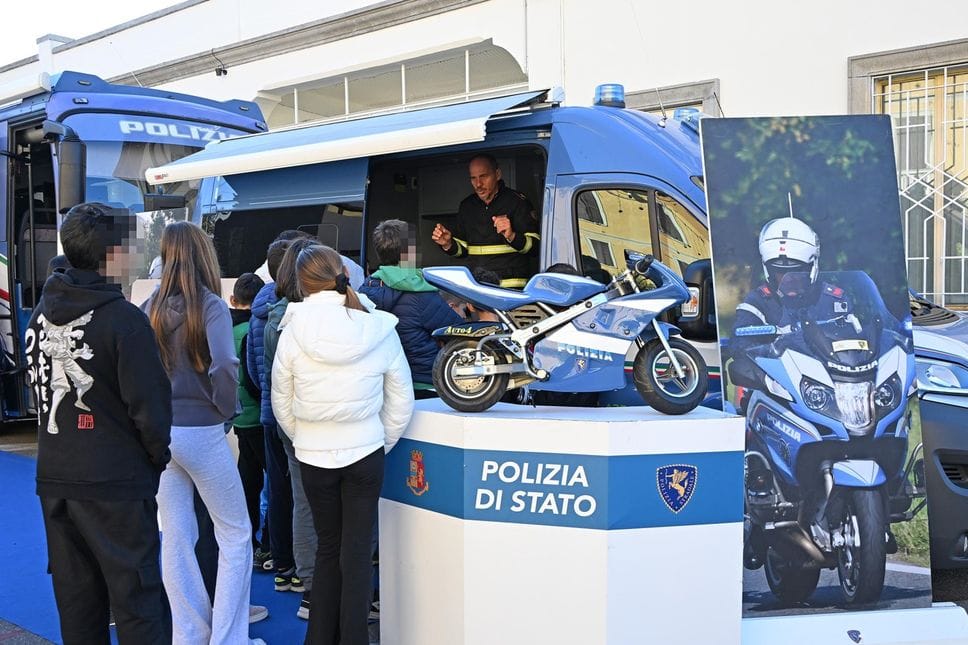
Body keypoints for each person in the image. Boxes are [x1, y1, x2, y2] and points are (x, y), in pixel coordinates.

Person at [28, 202, 173, 643]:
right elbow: (151, 408)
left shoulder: (40, 314)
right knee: (138, 603)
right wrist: (153, 461)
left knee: (78, 604)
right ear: (112, 255)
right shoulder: (125, 321)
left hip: (55, 476)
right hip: (116, 482)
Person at [272, 245, 414, 645]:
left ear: (301, 284)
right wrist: (378, 442)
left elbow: (282, 399)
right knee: (356, 553)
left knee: (327, 548)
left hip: (315, 455)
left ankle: (319, 638)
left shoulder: (293, 329)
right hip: (365, 453)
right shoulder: (376, 326)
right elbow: (400, 398)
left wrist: (306, 439)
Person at [143, 221, 258, 643]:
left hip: (161, 433)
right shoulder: (209, 306)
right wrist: (225, 408)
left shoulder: (150, 306)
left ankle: (188, 635)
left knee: (176, 535)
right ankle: (229, 638)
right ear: (203, 254)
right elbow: (225, 364)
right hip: (204, 430)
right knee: (235, 533)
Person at [729, 217, 852, 397]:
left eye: (797, 271)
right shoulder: (757, 302)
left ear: (812, 267)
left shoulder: (833, 300)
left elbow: (857, 342)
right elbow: (739, 345)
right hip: (779, 392)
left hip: (834, 389)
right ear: (768, 271)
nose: (789, 278)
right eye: (780, 272)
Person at [263, 237, 320, 620]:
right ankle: (324, 590)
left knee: (301, 502)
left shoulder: (273, 318)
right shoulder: (310, 321)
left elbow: (264, 376)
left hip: (288, 422)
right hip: (316, 424)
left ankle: (308, 590)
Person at [360, 219, 464, 396]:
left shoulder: (365, 290)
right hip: (424, 383)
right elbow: (458, 333)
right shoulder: (422, 294)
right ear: (409, 252)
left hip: (383, 384)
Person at [248, 238, 299, 593]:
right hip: (296, 416)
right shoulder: (295, 310)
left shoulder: (259, 309)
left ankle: (280, 561)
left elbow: (251, 369)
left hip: (268, 412)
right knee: (299, 494)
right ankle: (296, 564)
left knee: (277, 490)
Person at [431, 153, 539, 288]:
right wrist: (448, 244)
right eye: (473, 178)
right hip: (480, 291)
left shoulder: (517, 201)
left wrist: (512, 236)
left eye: (483, 176)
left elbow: (536, 248)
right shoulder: (467, 206)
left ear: (497, 174)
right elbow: (464, 250)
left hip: (512, 292)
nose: (478, 184)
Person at [230, 272, 272, 573]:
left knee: (248, 478)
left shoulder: (221, 329)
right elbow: (254, 376)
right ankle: (268, 545)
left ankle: (248, 541)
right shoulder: (253, 329)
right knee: (275, 483)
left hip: (238, 416)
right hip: (258, 414)